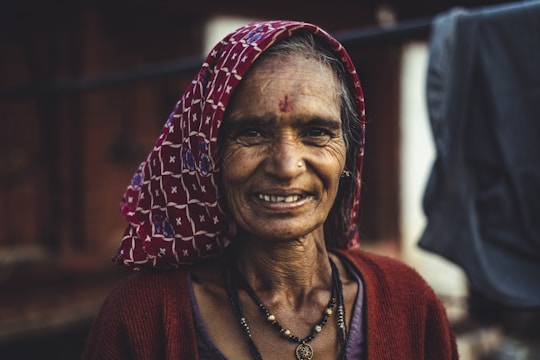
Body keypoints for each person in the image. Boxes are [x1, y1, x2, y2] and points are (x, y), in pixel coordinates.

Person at [82, 20, 458, 359]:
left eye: (316, 133)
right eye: (252, 133)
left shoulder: (408, 300)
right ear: (210, 155)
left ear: (348, 156)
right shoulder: (142, 316)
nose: (285, 166)